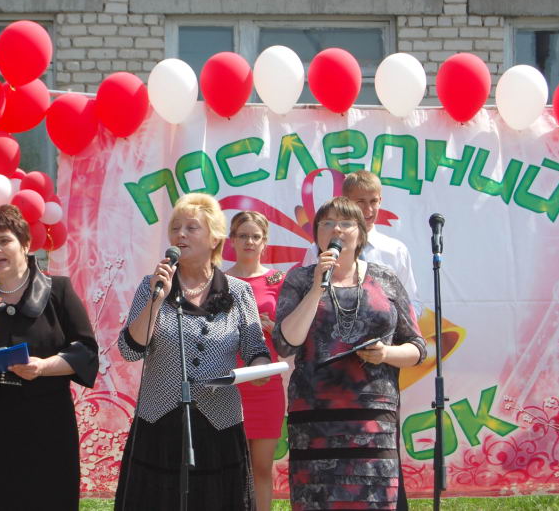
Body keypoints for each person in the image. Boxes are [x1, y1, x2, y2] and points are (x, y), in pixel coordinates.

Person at [115, 193, 272, 511]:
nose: (180, 235)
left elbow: (255, 349)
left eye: (191, 228)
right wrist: (158, 299)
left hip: (219, 426)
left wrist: (259, 369)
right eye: (175, 228)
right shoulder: (152, 285)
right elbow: (130, 351)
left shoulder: (238, 291)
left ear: (215, 238)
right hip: (158, 424)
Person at [0, 204, 98, 511]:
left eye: (4, 240)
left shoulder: (58, 291)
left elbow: (86, 353)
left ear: (25, 244)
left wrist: (43, 367)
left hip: (47, 422)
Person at [273, 196, 426, 510]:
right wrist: (317, 287)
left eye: (345, 223)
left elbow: (417, 348)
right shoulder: (300, 279)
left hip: (372, 419)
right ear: (317, 235)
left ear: (361, 233)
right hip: (315, 419)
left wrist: (386, 353)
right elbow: (286, 343)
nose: (336, 229)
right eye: (327, 223)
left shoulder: (385, 278)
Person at [225, 210, 286, 511]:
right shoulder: (218, 280)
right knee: (229, 469)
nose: (249, 241)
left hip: (266, 385)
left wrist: (273, 328)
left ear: (264, 242)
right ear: (232, 240)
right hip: (228, 385)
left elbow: (292, 336)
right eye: (243, 235)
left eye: (255, 236)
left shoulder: (279, 280)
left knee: (261, 468)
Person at [303, 170, 422, 316]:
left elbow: (412, 303)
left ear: (380, 201)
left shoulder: (396, 250)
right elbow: (303, 296)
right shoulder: (318, 250)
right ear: (346, 202)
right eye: (360, 202)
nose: (368, 209)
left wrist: (393, 325)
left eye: (373, 201)